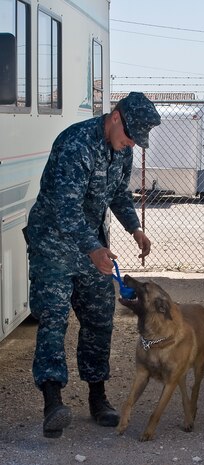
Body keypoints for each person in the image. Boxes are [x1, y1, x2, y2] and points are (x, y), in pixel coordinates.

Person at [26, 92, 161, 438]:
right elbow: (65, 209)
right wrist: (94, 249)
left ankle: (97, 397)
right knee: (54, 318)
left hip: (89, 247)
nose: (131, 143)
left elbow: (117, 193)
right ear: (115, 117)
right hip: (54, 244)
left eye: (135, 140)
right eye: (130, 135)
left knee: (100, 316)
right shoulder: (76, 145)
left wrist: (134, 229)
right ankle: (53, 402)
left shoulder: (123, 150)